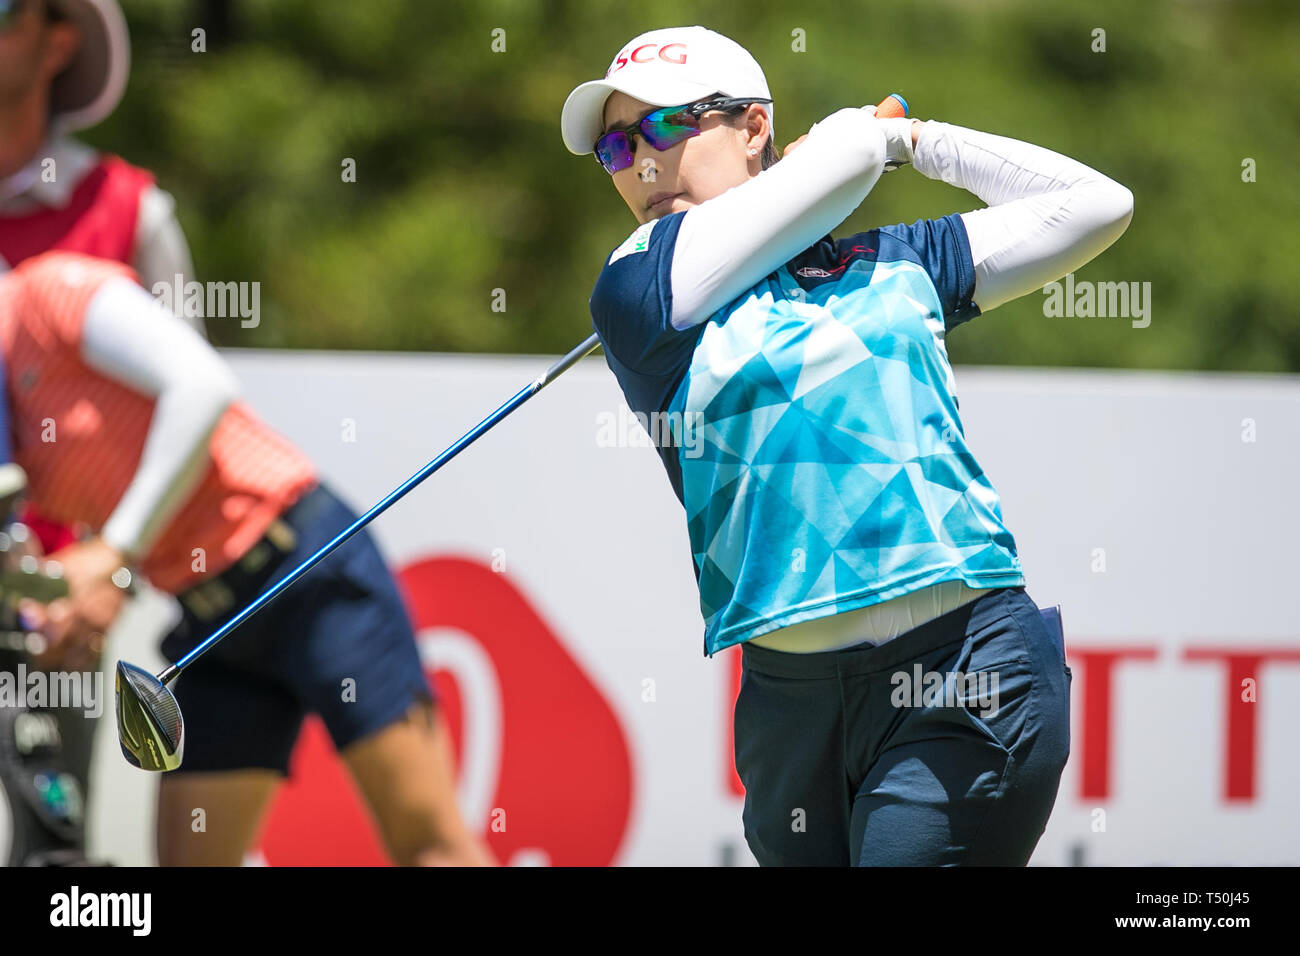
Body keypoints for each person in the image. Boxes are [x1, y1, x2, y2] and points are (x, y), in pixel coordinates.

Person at [562, 25, 1132, 865]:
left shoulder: (893, 262)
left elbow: (1095, 206)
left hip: (962, 675)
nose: (640, 164)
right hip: (790, 710)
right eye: (615, 144)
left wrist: (914, 141)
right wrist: (853, 143)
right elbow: (840, 161)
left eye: (666, 127)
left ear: (754, 127)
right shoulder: (636, 286)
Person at [0, 250, 492, 866]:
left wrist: (115, 555)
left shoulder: (48, 292)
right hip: (210, 624)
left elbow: (201, 386)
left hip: (308, 570)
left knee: (431, 848)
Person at [0, 0, 207, 856]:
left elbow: (194, 419)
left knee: (52, 865)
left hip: (53, 625)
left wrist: (110, 581)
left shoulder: (130, 210)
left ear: (58, 42)